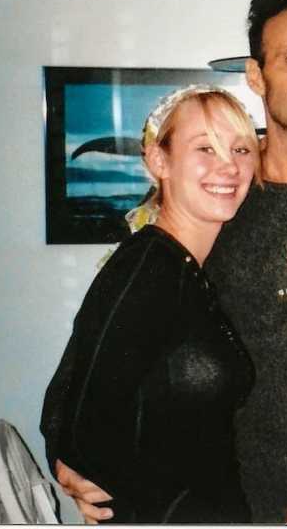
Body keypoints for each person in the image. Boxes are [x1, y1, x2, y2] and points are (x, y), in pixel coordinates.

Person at [53, 0, 287, 524]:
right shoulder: (220, 198)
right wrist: (65, 447)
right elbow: (101, 337)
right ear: (255, 75)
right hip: (253, 501)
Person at [40, 85, 261, 523]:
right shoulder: (149, 266)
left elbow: (69, 386)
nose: (229, 166)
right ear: (159, 161)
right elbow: (82, 428)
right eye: (205, 148)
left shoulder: (185, 267)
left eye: (240, 148)